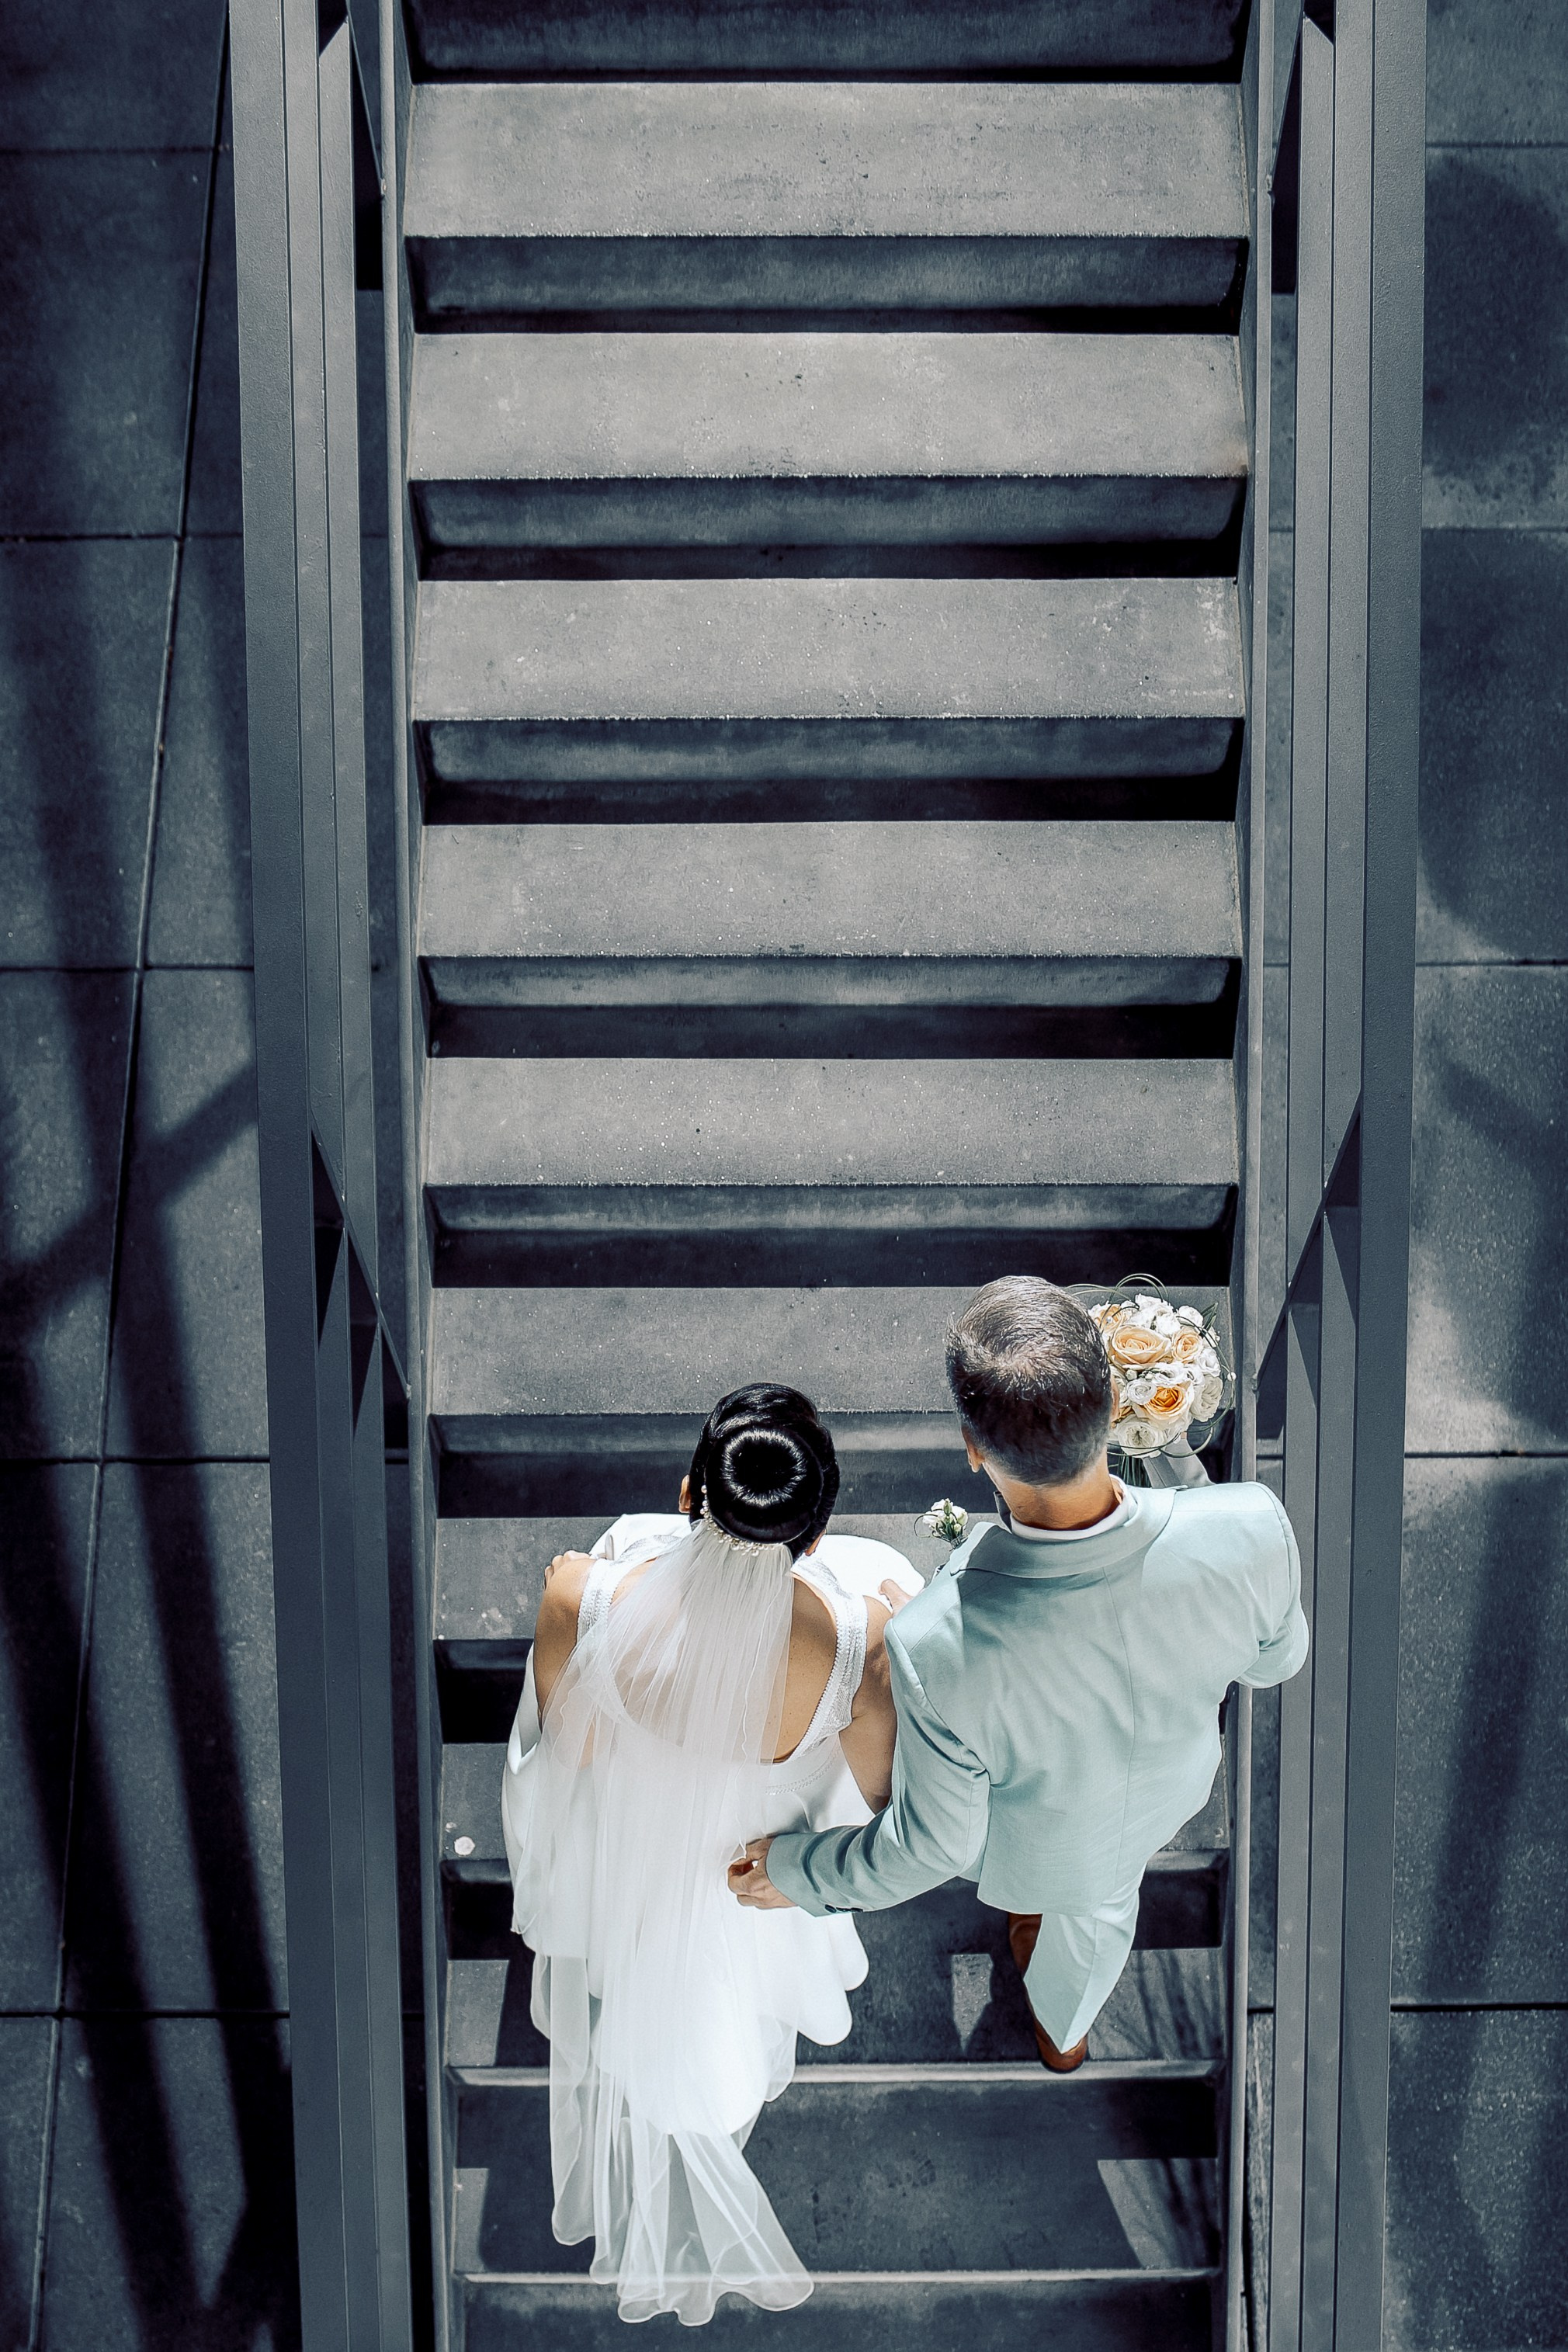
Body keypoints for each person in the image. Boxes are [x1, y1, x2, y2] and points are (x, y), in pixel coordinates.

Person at [731, 1277, 1309, 2073]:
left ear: (973, 1448)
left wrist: (798, 1870)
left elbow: (930, 1848)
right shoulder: (1250, 1526)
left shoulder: (936, 1643)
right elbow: (1278, 1660)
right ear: (1113, 1407)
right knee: (1096, 1911)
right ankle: (1061, 2026)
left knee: (1094, 1908)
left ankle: (1064, 2033)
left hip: (1052, 1849)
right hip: (1166, 1786)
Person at [501, 1383, 920, 2325]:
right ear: (812, 1536)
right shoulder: (866, 1639)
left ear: (690, 1493)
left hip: (636, 1854)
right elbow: (884, 1798)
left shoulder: (584, 1589)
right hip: (760, 1872)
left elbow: (573, 1754)